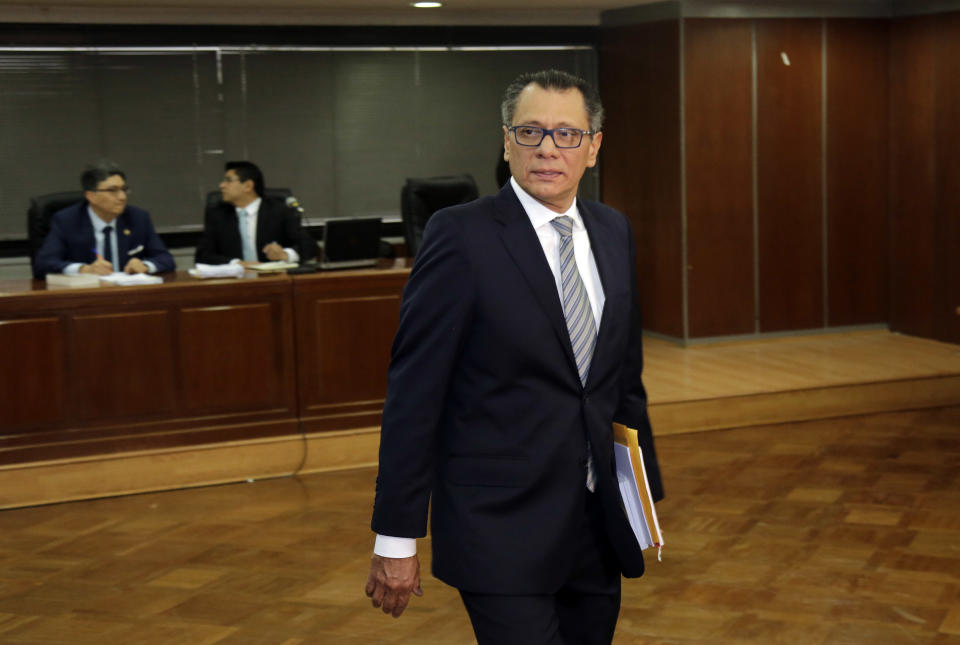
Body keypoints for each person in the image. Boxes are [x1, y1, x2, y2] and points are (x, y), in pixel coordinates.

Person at [365, 69, 664, 644]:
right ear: (507, 143)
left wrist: (641, 500)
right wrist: (396, 537)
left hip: (597, 525)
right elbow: (415, 395)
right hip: (499, 525)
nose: (548, 148)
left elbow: (624, 380)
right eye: (530, 132)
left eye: (567, 134)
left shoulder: (612, 229)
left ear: (594, 147)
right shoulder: (461, 236)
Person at [33, 162, 175, 278]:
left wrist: (145, 265)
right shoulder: (67, 220)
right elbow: (43, 264)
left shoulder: (138, 218)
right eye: (113, 191)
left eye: (124, 190)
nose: (122, 197)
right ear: (91, 196)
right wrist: (84, 269)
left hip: (129, 295)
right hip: (85, 299)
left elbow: (166, 259)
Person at [194, 161, 317, 266]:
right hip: (233, 282)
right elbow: (203, 255)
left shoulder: (279, 210)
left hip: (274, 280)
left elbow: (309, 246)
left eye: (228, 181)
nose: (221, 185)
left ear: (248, 186)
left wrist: (285, 254)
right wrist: (236, 263)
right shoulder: (218, 214)